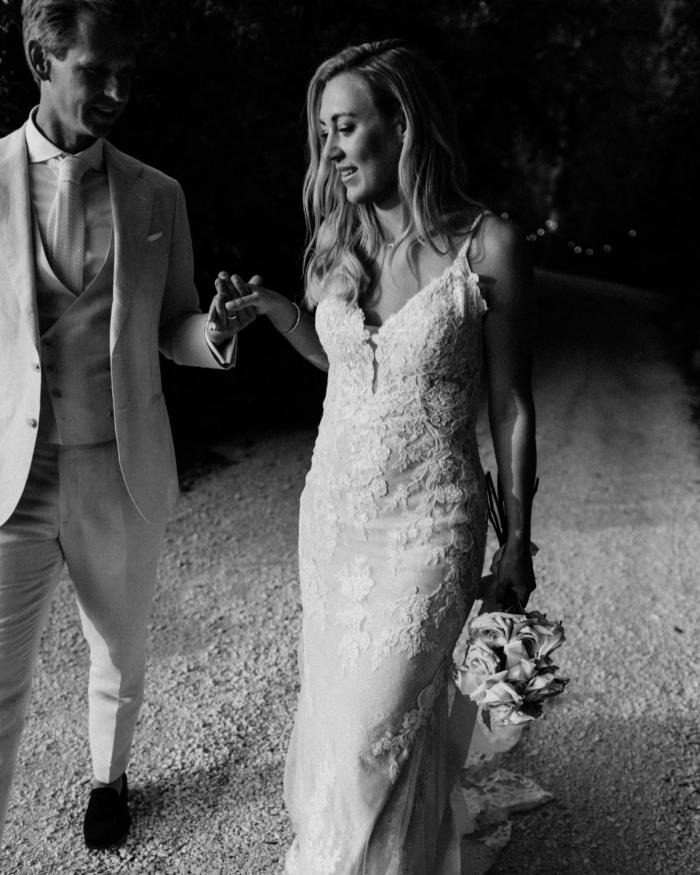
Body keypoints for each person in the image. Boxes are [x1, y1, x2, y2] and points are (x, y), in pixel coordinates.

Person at [220, 39, 536, 873]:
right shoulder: (337, 244)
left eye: (346, 126)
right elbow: (349, 365)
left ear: (403, 124)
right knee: (342, 727)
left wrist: (519, 542)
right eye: (323, 131)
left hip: (430, 526)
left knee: (372, 733)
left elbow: (510, 403)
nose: (330, 148)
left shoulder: (487, 247)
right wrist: (279, 310)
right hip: (334, 519)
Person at [0, 0, 254, 850]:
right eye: (96, 71)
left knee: (120, 646)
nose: (116, 91)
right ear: (41, 59)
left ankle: (108, 779)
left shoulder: (158, 194)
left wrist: (213, 331)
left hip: (119, 463)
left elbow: (174, 326)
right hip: (11, 475)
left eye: (127, 75)